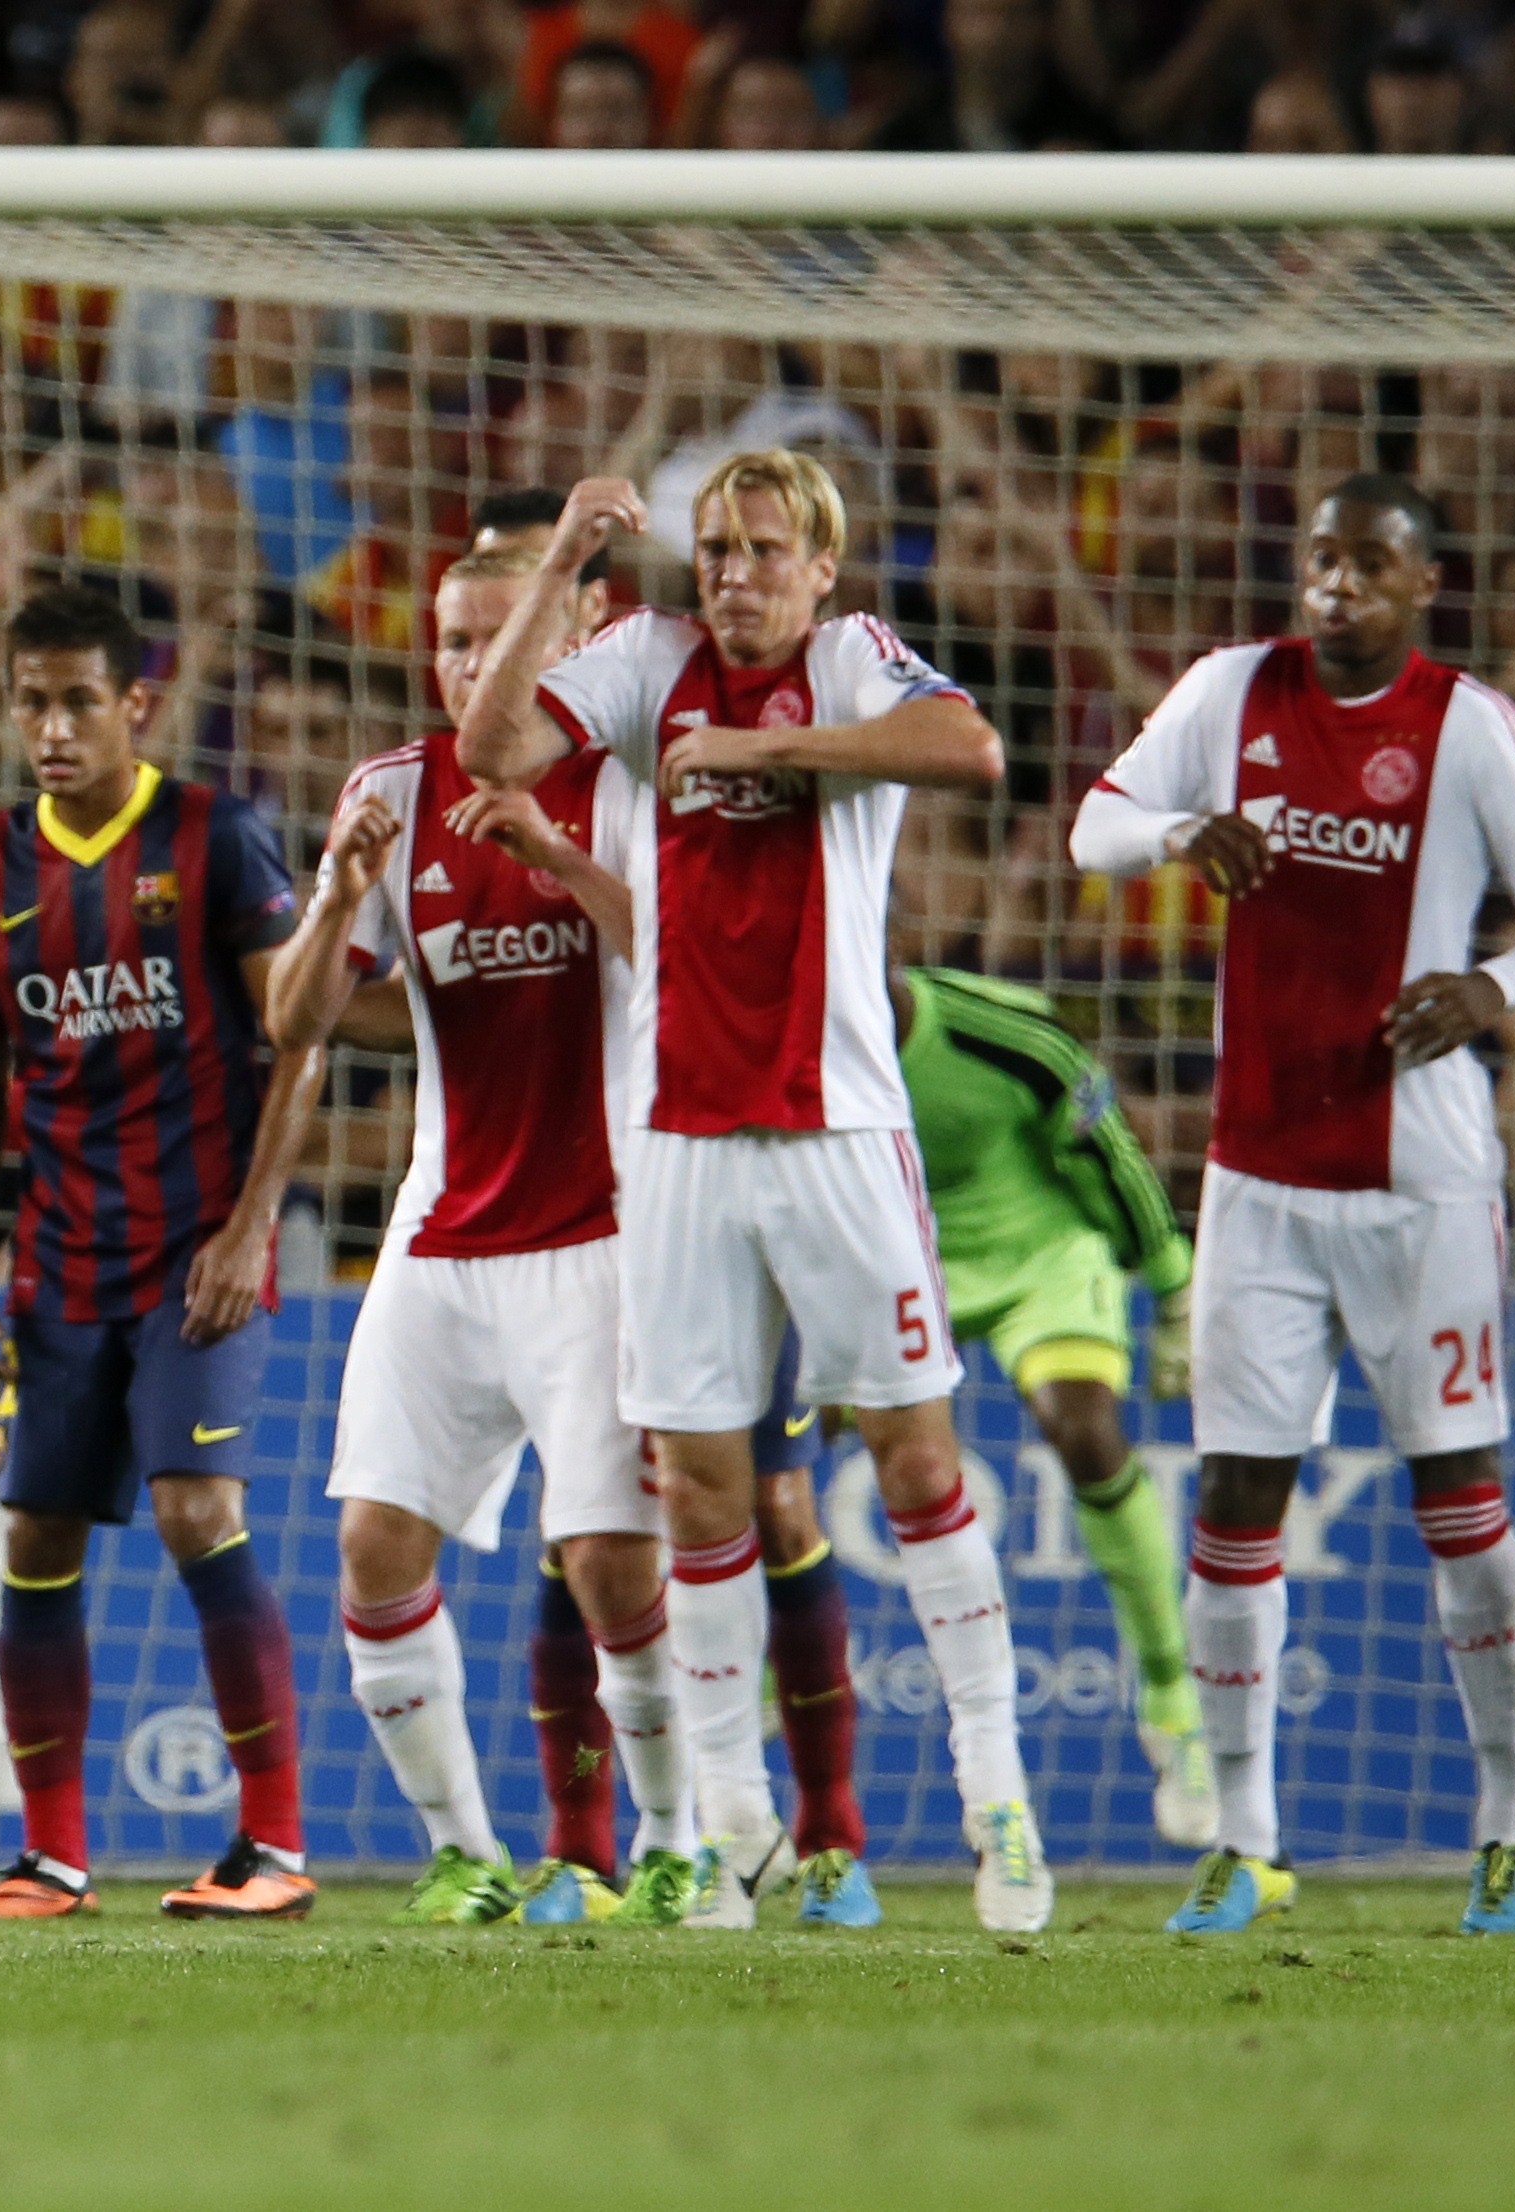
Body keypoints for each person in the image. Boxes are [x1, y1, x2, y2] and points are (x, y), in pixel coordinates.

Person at [458, 451, 1055, 1935]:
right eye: (716, 548)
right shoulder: (639, 656)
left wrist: (768, 756)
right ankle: (729, 1822)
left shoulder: (855, 662)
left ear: (822, 570)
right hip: (673, 1145)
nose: (735, 574)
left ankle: (999, 1802)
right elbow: (491, 749)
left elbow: (971, 752)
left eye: (765, 550)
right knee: (702, 1489)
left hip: (841, 1131)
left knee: (916, 1463)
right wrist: (563, 561)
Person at [268, 541, 826, 1931]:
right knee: (377, 1548)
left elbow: (692, 958)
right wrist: (340, 898)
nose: (470, 665)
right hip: (442, 1234)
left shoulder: (629, 784)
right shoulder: (391, 794)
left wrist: (557, 854)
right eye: (453, 640)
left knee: (610, 1567)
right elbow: (291, 1023)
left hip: (605, 1235)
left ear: (573, 637)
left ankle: (669, 1841)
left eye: (494, 638)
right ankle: (465, 1851)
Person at [1073, 475, 1515, 1938]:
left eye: (1372, 564)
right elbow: (1090, 829)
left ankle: (1512, 1827)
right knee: (1239, 1496)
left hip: (1422, 1178)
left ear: (1426, 588)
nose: (1337, 585)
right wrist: (1181, 837)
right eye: (1320, 559)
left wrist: (1491, 987)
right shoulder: (1232, 692)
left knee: (1460, 1500)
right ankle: (1242, 1839)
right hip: (1255, 1177)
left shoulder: (1471, 727)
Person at [472, 484, 873, 1926]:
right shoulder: (473, 782)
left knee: (766, 1494)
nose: (507, 639)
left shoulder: (654, 743)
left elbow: (688, 951)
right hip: (551, 1208)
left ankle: (819, 1835)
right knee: (578, 1524)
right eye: (482, 617)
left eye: (538, 597)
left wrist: (565, 865)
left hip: (699, 1173)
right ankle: (596, 1850)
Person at [0, 583, 327, 1921]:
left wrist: (252, 1225)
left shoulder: (218, 839)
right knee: (36, 1538)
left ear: (135, 705)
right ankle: (51, 1859)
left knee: (194, 1512)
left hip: (197, 1256)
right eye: (30, 701)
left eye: (78, 702)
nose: (51, 728)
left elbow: (299, 1040)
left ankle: (270, 1847)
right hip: (56, 1264)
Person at [884, 961, 1212, 1847]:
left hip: (1040, 1247)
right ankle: (760, 1695)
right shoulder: (796, 1050)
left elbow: (1110, 1152)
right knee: (781, 1448)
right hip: (897, 1259)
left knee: (1083, 1430)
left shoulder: (1005, 1033)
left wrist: (1173, 1286)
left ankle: (1173, 1697)